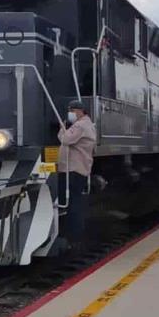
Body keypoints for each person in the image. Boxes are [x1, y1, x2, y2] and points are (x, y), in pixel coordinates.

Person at [57, 100, 97, 250]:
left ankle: (73, 236)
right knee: (74, 202)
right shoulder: (84, 125)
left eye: (72, 110)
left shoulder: (81, 125)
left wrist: (63, 125)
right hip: (75, 169)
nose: (71, 113)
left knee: (73, 203)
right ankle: (74, 236)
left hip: (73, 169)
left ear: (81, 111)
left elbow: (65, 139)